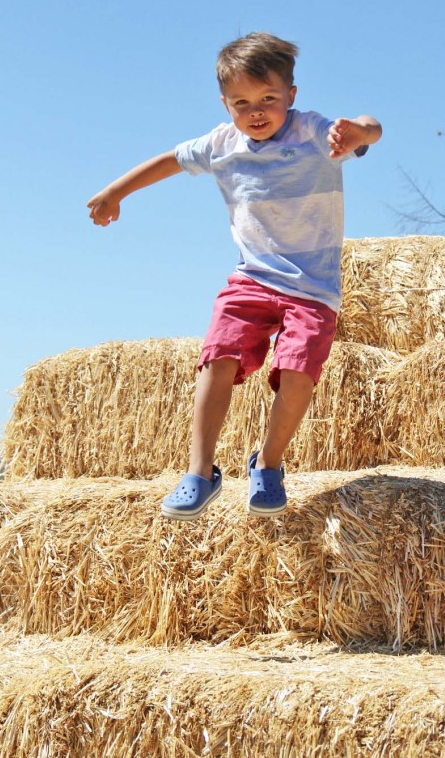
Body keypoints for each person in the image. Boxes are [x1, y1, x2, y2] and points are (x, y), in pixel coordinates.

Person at [88, 32, 382, 521]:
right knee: (217, 356)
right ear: (225, 104)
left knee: (297, 372)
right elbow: (169, 161)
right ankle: (199, 472)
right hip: (252, 278)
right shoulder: (221, 144)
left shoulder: (315, 132)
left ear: (292, 94)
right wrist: (115, 192)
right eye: (242, 102)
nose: (257, 110)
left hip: (313, 288)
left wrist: (360, 133)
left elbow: (371, 126)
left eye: (269, 98)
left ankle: (268, 464)